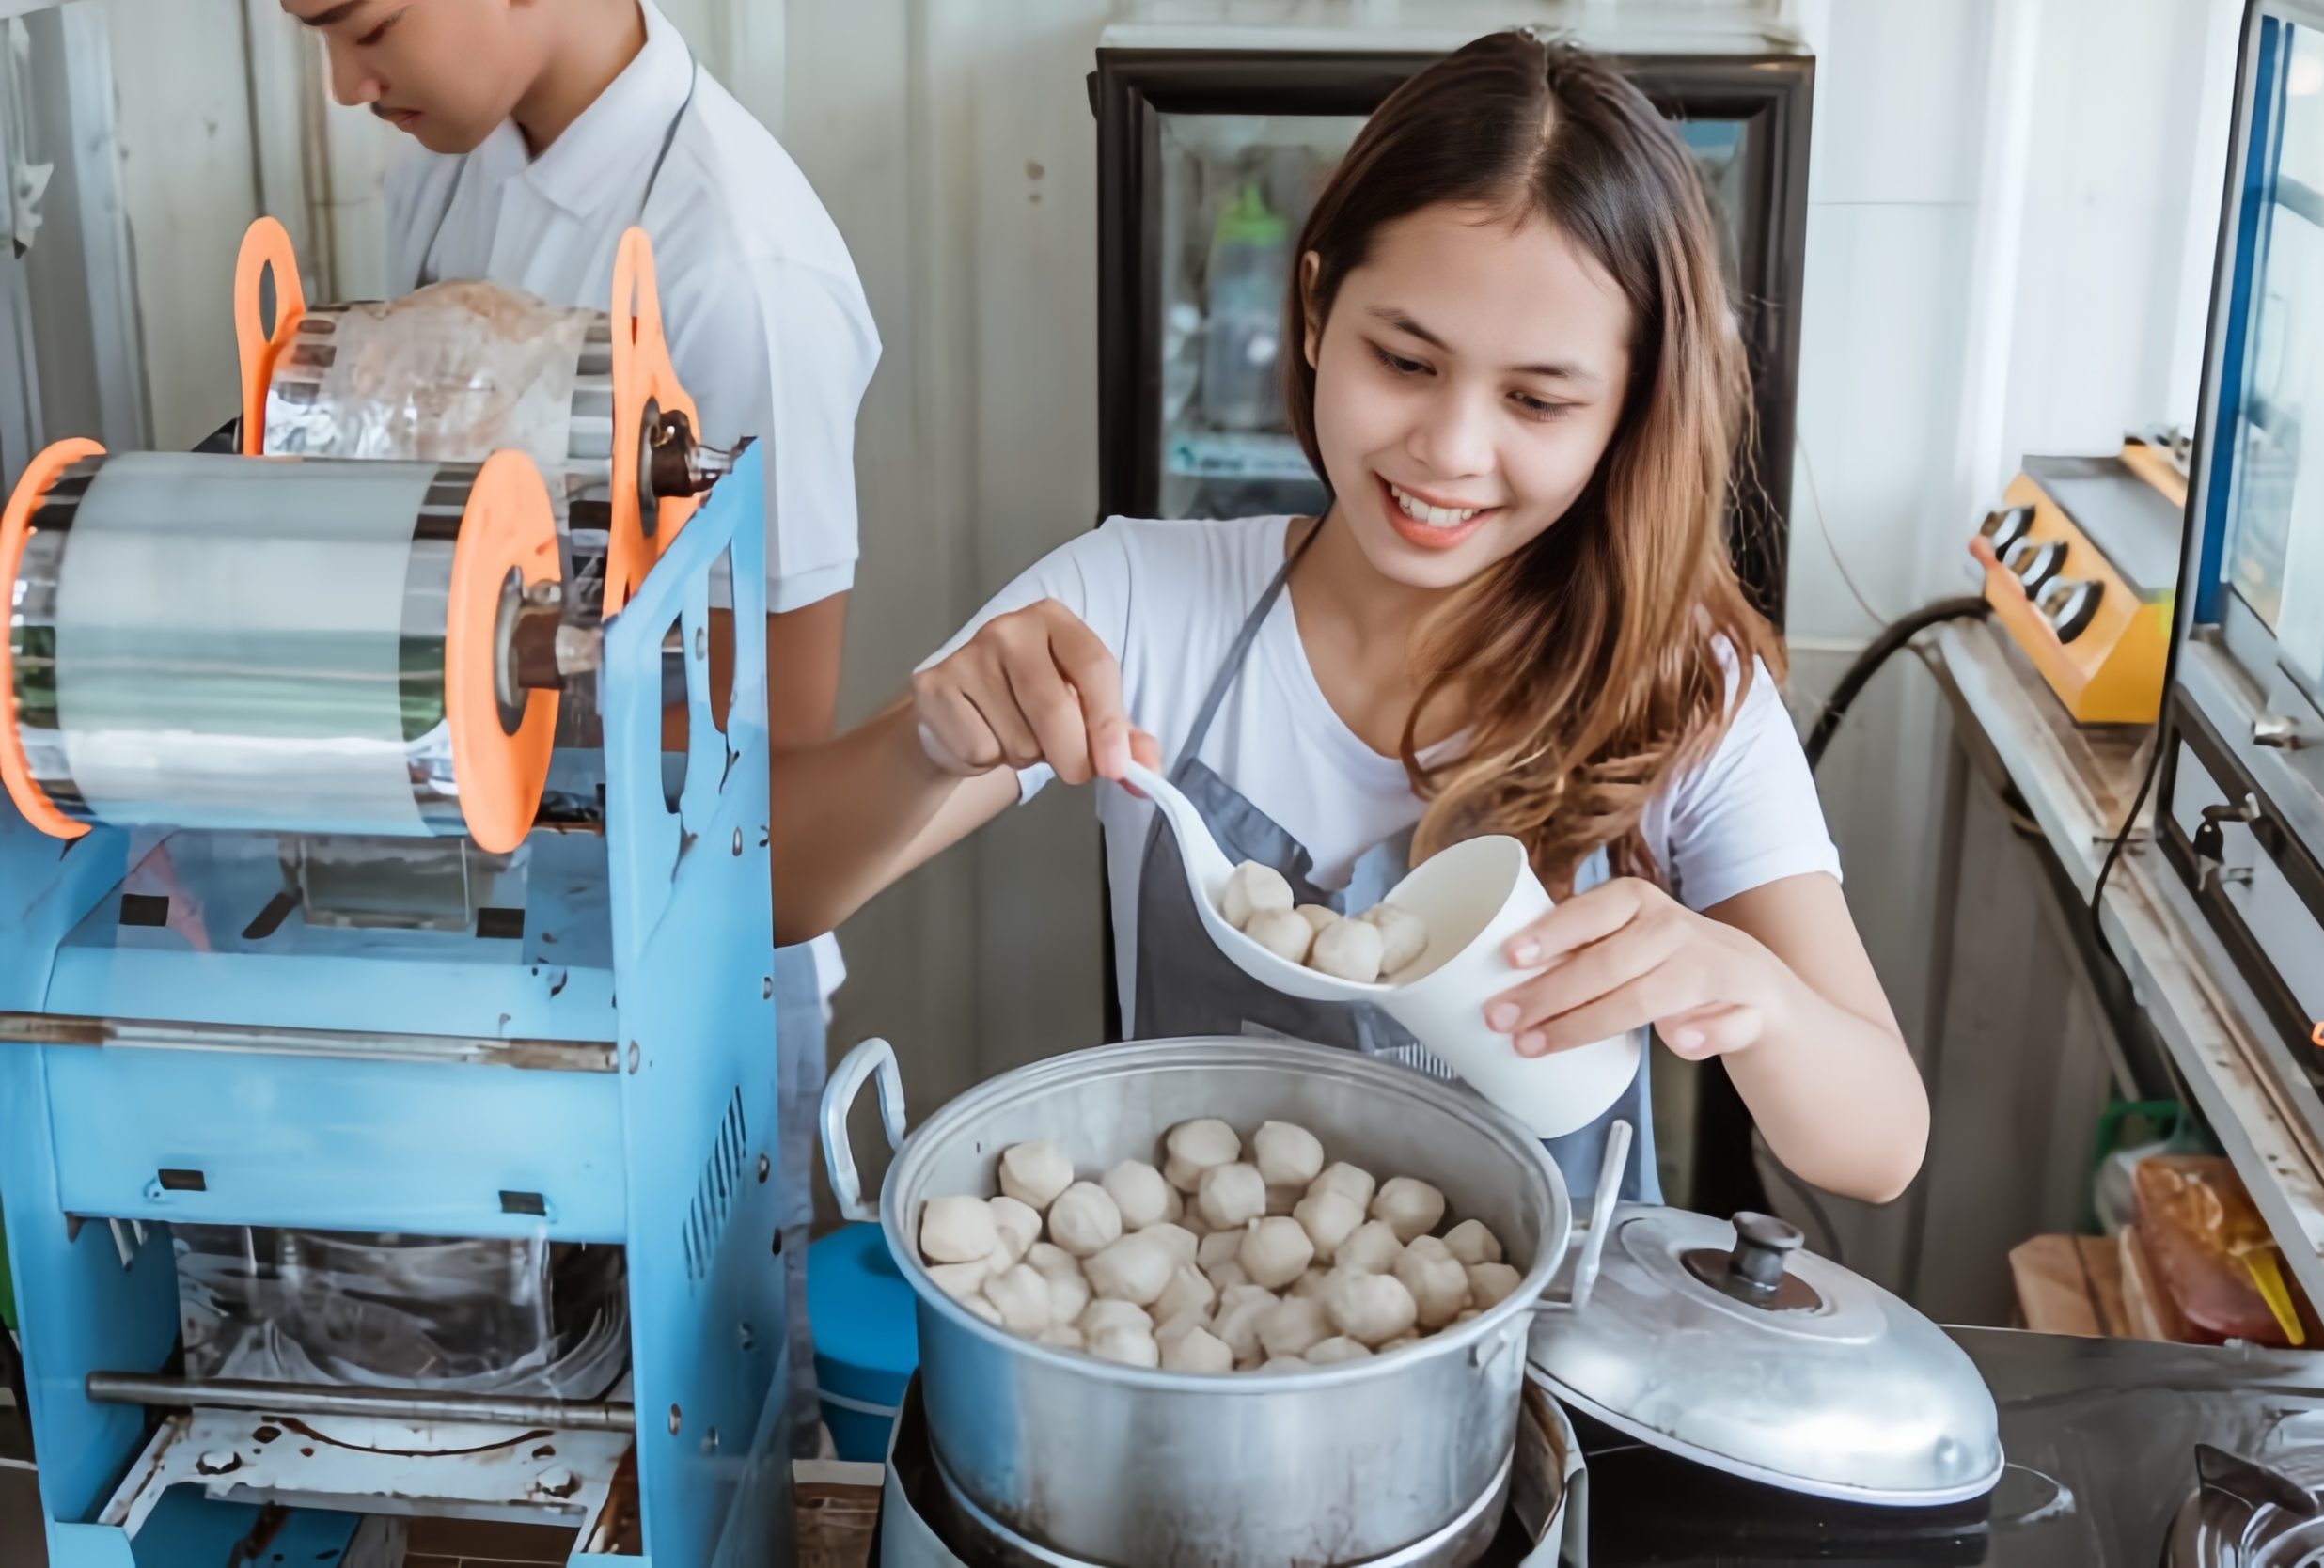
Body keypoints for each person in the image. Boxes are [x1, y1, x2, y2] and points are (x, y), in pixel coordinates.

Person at [772, 31, 1927, 1207]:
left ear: (1626, 411)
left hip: (1554, 1329)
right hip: (1198, 1311)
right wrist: (929, 747)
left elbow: (1878, 1149)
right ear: (1317, 311)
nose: (1450, 449)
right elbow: (778, 895)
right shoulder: (1133, 603)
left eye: (1537, 400)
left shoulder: (1678, 689)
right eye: (1405, 361)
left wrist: (1752, 995)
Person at [285, 0, 879, 1451]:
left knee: (709, 1424)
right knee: (499, 1397)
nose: (346, 84)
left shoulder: (737, 270)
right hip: (497, 884)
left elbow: (775, 744)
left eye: (366, 24)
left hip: (688, 945)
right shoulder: (451, 152)